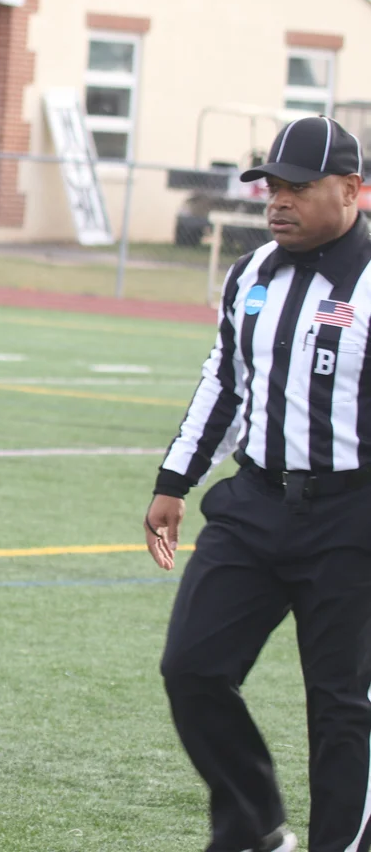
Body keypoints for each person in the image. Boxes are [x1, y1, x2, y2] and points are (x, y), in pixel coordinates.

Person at [147, 114, 371, 852]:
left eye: (299, 188)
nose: (278, 201)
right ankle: (252, 819)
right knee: (192, 667)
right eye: (271, 186)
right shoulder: (251, 272)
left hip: (352, 515)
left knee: (340, 708)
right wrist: (175, 478)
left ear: (353, 191)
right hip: (254, 504)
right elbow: (225, 383)